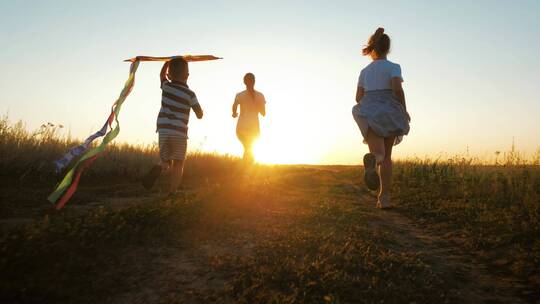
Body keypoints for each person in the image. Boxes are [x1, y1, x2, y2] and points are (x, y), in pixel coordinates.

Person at [352, 28, 410, 209]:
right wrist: (404, 110)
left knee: (378, 153)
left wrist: (371, 104)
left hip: (369, 109)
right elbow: (397, 90)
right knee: (387, 158)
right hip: (389, 110)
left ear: (373, 48)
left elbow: (358, 97)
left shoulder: (364, 71)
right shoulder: (394, 67)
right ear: (388, 49)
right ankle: (383, 199)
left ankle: (372, 160)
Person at [142, 58, 203, 197]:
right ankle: (172, 192)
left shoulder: (166, 86)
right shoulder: (190, 94)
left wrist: (166, 63)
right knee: (178, 163)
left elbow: (161, 75)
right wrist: (198, 111)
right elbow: (199, 114)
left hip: (163, 130)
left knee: (166, 160)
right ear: (187, 75)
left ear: (169, 75)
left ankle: (159, 167)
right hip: (179, 132)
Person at [232, 73, 266, 163]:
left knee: (248, 148)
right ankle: (247, 171)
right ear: (254, 81)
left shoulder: (239, 95)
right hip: (254, 127)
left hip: (241, 127)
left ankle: (245, 171)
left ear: (244, 82)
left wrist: (234, 114)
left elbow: (234, 106)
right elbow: (263, 113)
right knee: (249, 148)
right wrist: (258, 104)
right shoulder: (260, 96)